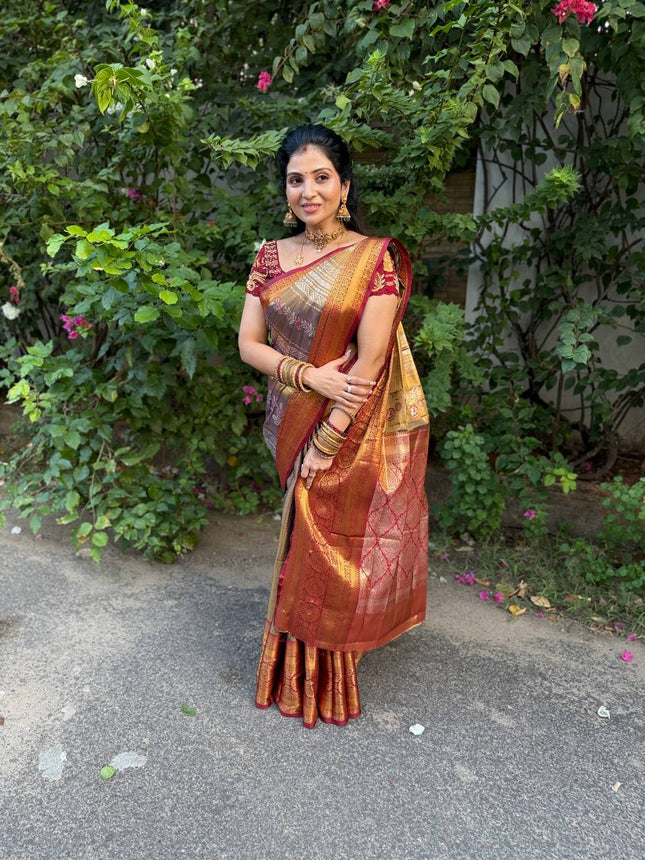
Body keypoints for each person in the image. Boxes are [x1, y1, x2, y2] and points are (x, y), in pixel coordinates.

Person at [238, 124, 429, 728]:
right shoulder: (270, 256)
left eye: (321, 177)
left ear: (344, 186)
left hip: (350, 426)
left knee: (330, 547)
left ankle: (325, 679)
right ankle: (290, 670)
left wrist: (328, 436)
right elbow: (248, 343)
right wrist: (307, 378)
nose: (308, 191)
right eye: (296, 180)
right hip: (296, 410)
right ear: (285, 190)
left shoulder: (373, 258)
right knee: (300, 541)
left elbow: (370, 360)